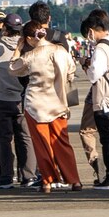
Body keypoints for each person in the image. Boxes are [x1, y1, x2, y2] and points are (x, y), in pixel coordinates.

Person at [18, 19, 82, 190]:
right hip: (59, 103)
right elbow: (71, 70)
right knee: (62, 142)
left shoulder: (30, 55)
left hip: (36, 104)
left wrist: (17, 49)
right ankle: (74, 179)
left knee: (42, 144)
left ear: (29, 38)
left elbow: (13, 68)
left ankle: (48, 180)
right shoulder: (60, 51)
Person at [0, 10, 31, 188]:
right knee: (25, 138)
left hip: (2, 98)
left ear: (5, 28)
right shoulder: (27, 47)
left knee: (4, 139)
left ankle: (5, 177)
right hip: (22, 99)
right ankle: (28, 175)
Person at [80, 10, 109, 188]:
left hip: (105, 98)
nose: (88, 37)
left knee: (107, 139)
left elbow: (93, 75)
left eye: (88, 33)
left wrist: (85, 64)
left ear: (93, 30)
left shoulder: (100, 48)